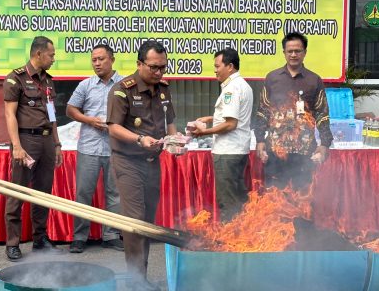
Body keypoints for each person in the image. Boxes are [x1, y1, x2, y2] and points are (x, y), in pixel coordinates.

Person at [107, 40, 176, 291]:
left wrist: (175, 141)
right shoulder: (122, 90)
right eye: (153, 67)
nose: (158, 73)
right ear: (139, 64)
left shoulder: (164, 89)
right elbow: (113, 127)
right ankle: (136, 281)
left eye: (163, 68)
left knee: (147, 220)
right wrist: (139, 139)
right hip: (128, 161)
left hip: (152, 162)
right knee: (135, 221)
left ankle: (141, 277)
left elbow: (170, 121)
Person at [3, 36, 64, 261]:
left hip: (47, 141)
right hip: (26, 140)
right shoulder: (15, 78)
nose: (53, 59)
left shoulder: (48, 81)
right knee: (17, 191)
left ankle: (40, 239)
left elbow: (52, 114)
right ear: (38, 54)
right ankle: (13, 242)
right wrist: (16, 146)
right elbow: (9, 114)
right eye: (51, 55)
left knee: (43, 192)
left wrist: (57, 144)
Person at [254, 31, 333, 192]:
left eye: (298, 51)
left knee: (303, 197)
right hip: (276, 150)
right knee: (274, 198)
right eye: (290, 51)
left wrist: (325, 143)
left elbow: (322, 113)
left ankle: (302, 218)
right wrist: (260, 140)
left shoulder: (314, 80)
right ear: (284, 53)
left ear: (305, 52)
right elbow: (263, 111)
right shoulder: (272, 78)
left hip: (304, 151)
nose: (294, 54)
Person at [67, 44, 124, 254]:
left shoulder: (125, 84)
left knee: (114, 194)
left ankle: (110, 235)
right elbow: (71, 109)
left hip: (116, 149)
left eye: (101, 59)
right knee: (83, 193)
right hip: (89, 147)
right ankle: (79, 237)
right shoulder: (85, 85)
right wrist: (89, 120)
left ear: (112, 60)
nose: (97, 63)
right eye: (94, 60)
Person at [191, 48, 253, 222]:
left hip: (228, 152)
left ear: (230, 66)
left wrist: (204, 132)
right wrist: (211, 118)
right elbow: (233, 116)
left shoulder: (231, 89)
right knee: (238, 200)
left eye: (218, 66)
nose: (215, 70)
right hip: (238, 150)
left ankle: (231, 243)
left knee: (228, 203)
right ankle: (240, 238)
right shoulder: (242, 85)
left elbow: (230, 124)